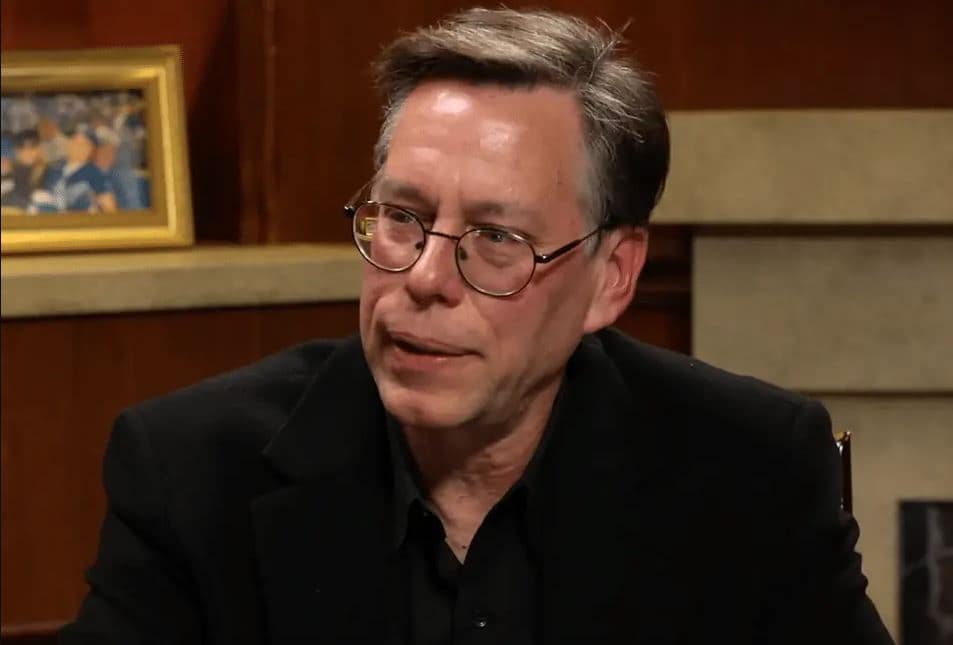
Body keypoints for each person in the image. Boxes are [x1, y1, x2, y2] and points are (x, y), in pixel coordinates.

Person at [61, 8, 893, 645]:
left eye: (496, 238)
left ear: (611, 276)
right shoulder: (192, 471)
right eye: (402, 217)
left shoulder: (748, 469)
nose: (423, 279)